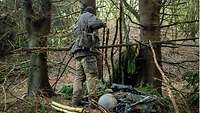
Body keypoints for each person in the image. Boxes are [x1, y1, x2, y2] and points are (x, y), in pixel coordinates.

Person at [70, 6, 106, 107]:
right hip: (87, 53)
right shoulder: (88, 16)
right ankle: (93, 102)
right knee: (91, 76)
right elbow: (95, 23)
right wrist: (103, 24)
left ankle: (75, 101)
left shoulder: (78, 20)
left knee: (78, 78)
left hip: (78, 53)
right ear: (91, 13)